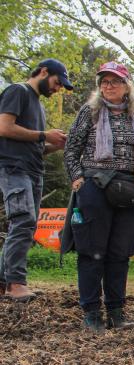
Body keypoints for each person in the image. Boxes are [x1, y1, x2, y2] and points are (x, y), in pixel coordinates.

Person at [62, 61, 134, 332]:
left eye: (114, 81)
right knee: (92, 251)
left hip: (132, 189)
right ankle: (91, 312)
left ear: (127, 86)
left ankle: (116, 310)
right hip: (95, 184)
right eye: (104, 81)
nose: (108, 85)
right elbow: (72, 148)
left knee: (119, 253)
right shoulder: (89, 113)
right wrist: (78, 179)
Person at [0, 59, 72, 301]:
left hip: (33, 170)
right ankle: (16, 283)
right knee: (23, 220)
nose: (57, 88)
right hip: (13, 168)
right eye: (57, 82)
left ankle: (4, 281)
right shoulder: (17, 91)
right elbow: (4, 127)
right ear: (43, 72)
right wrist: (44, 134)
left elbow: (35, 147)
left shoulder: (39, 107)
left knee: (27, 226)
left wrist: (54, 145)